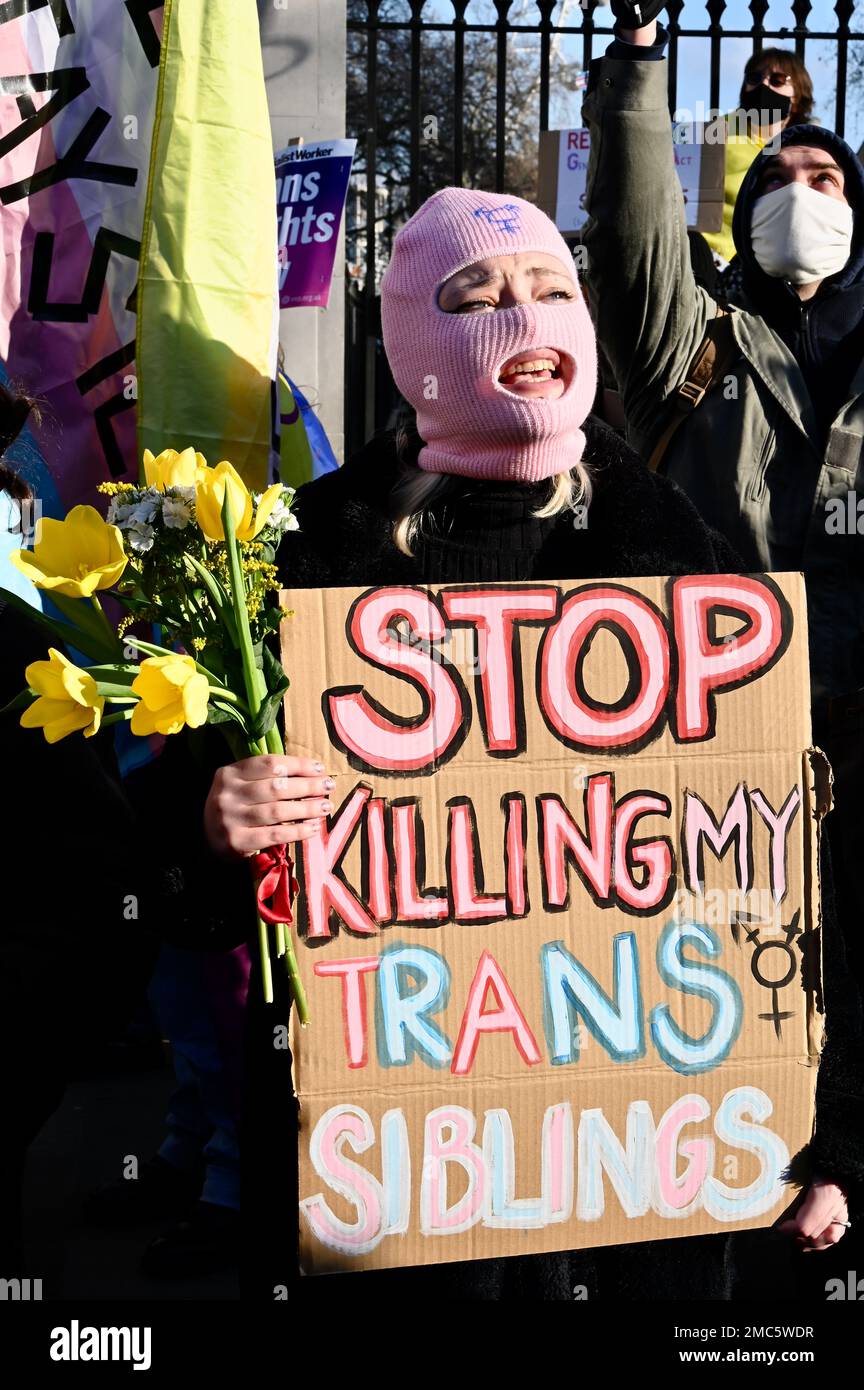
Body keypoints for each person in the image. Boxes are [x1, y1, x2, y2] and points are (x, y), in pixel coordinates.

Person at [198, 188, 859, 1299]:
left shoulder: (682, 556)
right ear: (416, 339)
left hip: (646, 1190)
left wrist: (826, 1134)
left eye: (552, 289)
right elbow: (197, 895)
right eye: (478, 294)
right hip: (403, 1191)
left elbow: (789, 873)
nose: (524, 317)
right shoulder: (303, 555)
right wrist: (217, 821)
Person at [582, 7, 864, 1029]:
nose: (801, 193)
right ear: (740, 220)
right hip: (716, 750)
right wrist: (641, 59)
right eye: (777, 181)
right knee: (735, 1005)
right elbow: (629, 225)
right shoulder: (689, 346)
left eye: (825, 181)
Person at [702, 47, 815, 269]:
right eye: (755, 77)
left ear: (798, 95)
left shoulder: (807, 149)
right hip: (708, 258)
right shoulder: (717, 131)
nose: (764, 85)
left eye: (777, 79)